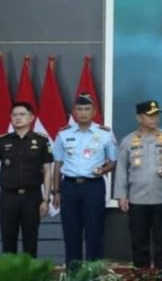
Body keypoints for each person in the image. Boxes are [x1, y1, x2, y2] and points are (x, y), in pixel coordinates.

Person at [113, 100, 162, 269]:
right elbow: (121, 169)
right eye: (150, 115)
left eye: (156, 115)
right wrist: (121, 195)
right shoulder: (128, 140)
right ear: (139, 118)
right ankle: (141, 273)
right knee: (139, 241)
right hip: (137, 199)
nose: (154, 118)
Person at [52, 93, 117, 265]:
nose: (83, 113)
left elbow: (113, 162)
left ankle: (93, 272)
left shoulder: (105, 133)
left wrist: (103, 170)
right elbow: (58, 164)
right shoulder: (63, 133)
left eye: (87, 109)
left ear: (94, 111)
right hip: (69, 186)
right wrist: (56, 191)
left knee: (94, 232)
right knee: (71, 232)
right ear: (74, 112)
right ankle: (74, 272)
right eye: (79, 109)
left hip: (93, 186)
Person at [0, 102, 53, 256]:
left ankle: (29, 271)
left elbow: (47, 171)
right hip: (8, 196)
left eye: (22, 114)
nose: (18, 118)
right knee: (8, 240)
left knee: (31, 240)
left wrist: (46, 199)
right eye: (14, 115)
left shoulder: (41, 141)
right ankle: (9, 271)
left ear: (31, 117)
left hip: (32, 196)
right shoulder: (3, 141)